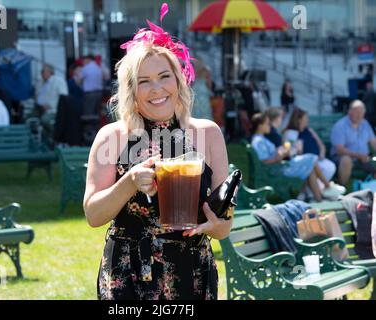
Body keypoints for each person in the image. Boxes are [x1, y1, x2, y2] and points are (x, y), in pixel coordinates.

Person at [84, 4, 232, 300]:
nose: (156, 89)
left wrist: (215, 225)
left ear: (179, 80)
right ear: (131, 91)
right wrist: (128, 183)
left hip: (192, 270)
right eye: (144, 81)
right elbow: (93, 214)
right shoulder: (112, 137)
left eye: (164, 76)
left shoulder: (208, 134)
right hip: (130, 272)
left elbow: (224, 224)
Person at [251, 113, 344, 202]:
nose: (269, 126)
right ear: (260, 125)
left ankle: (318, 199)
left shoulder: (260, 139)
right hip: (278, 170)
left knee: (310, 167)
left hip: (277, 167)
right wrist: (279, 156)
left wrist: (280, 152)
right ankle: (327, 186)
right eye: (267, 124)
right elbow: (264, 161)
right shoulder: (258, 141)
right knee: (311, 158)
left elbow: (267, 157)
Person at [283, 108, 343, 199]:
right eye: (305, 118)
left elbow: (320, 144)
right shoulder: (291, 133)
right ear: (299, 119)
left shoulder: (309, 130)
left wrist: (322, 154)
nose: (307, 120)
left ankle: (319, 197)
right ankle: (326, 188)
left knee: (315, 165)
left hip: (309, 161)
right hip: (295, 164)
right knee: (312, 161)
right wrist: (297, 150)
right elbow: (290, 152)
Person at [330, 100, 376, 186]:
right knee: (346, 160)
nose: (359, 115)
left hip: (363, 159)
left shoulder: (365, 123)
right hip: (342, 158)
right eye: (357, 112)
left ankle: (371, 191)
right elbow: (340, 150)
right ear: (349, 112)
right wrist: (358, 155)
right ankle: (342, 190)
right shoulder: (340, 126)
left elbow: (373, 142)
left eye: (362, 112)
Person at [34, 64, 68, 136]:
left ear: (50, 72)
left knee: (45, 120)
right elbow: (38, 96)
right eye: (42, 71)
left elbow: (63, 98)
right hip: (39, 108)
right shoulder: (41, 82)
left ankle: (55, 136)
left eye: (43, 71)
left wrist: (51, 105)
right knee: (29, 118)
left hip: (53, 110)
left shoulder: (58, 81)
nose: (42, 73)